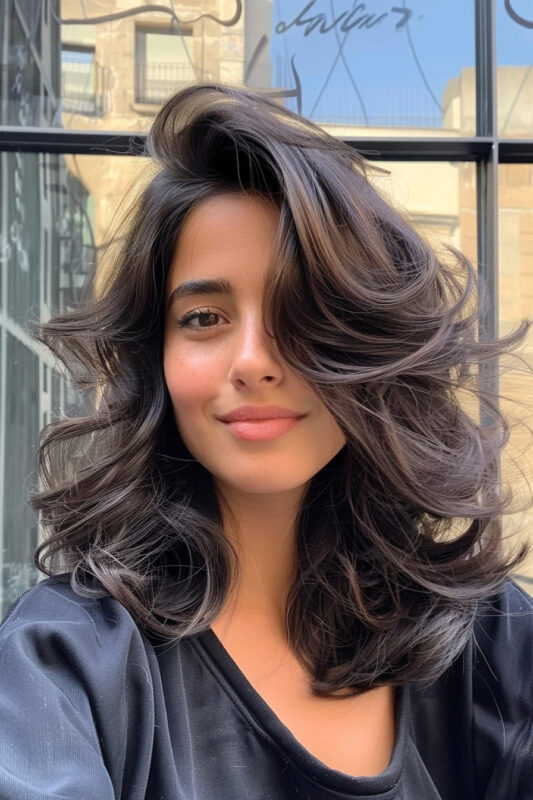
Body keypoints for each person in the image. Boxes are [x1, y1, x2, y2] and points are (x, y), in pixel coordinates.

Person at [0, 83, 532, 800]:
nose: (252, 358)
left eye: (301, 311)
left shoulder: (492, 643)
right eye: (204, 318)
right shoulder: (64, 664)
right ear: (154, 356)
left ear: (369, 348)